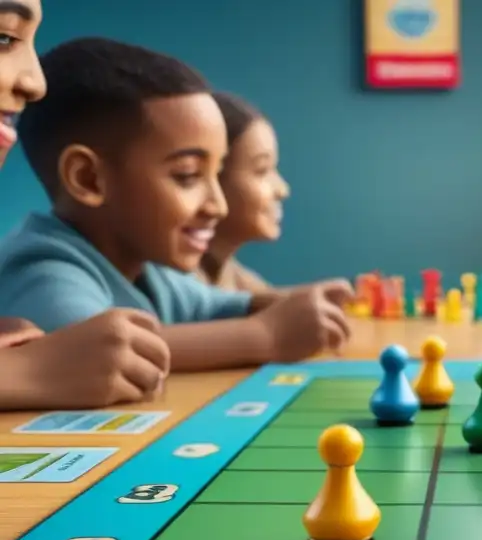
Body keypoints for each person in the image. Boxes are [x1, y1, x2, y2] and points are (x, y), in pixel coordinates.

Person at [0, 37, 353, 372]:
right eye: (187, 175)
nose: (218, 205)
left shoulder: (149, 271)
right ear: (88, 179)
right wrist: (267, 336)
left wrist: (301, 302)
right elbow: (96, 351)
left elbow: (226, 306)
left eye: (218, 172)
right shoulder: (43, 268)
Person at [0, 1, 172, 409]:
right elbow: (95, 347)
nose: (36, 83)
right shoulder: (44, 261)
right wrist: (30, 371)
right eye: (4, 37)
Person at [196, 91, 351, 301]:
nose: (283, 189)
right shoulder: (171, 284)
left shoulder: (232, 275)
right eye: (262, 170)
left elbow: (277, 304)